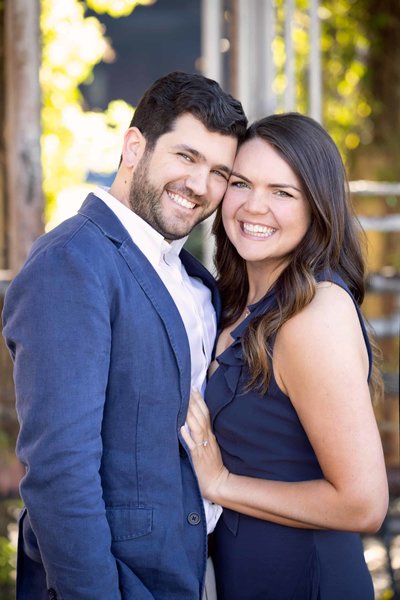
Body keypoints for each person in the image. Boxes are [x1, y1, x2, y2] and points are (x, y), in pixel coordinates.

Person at [2, 71, 247, 600]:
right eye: (186, 157)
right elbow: (59, 473)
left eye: (219, 171)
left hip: (198, 572)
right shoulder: (71, 263)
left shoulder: (194, 279)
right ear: (134, 146)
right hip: (120, 581)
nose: (200, 186)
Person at [181, 112, 389, 600]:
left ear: (318, 208)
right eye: (241, 183)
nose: (255, 206)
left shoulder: (315, 313)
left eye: (283, 192)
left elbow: (364, 504)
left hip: (306, 581)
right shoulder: (231, 304)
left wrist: (221, 483)